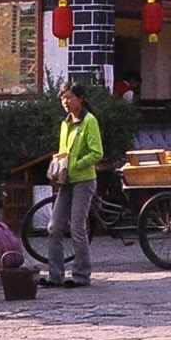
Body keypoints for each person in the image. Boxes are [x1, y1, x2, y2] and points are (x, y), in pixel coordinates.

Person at [45, 81, 104, 287]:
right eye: (63, 97)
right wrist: (59, 168)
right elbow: (63, 152)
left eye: (69, 97)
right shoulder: (65, 123)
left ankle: (81, 275)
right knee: (53, 227)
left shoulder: (89, 121)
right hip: (66, 182)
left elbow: (97, 152)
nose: (65, 101)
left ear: (80, 99)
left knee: (78, 227)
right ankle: (55, 275)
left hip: (84, 181)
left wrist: (76, 164)